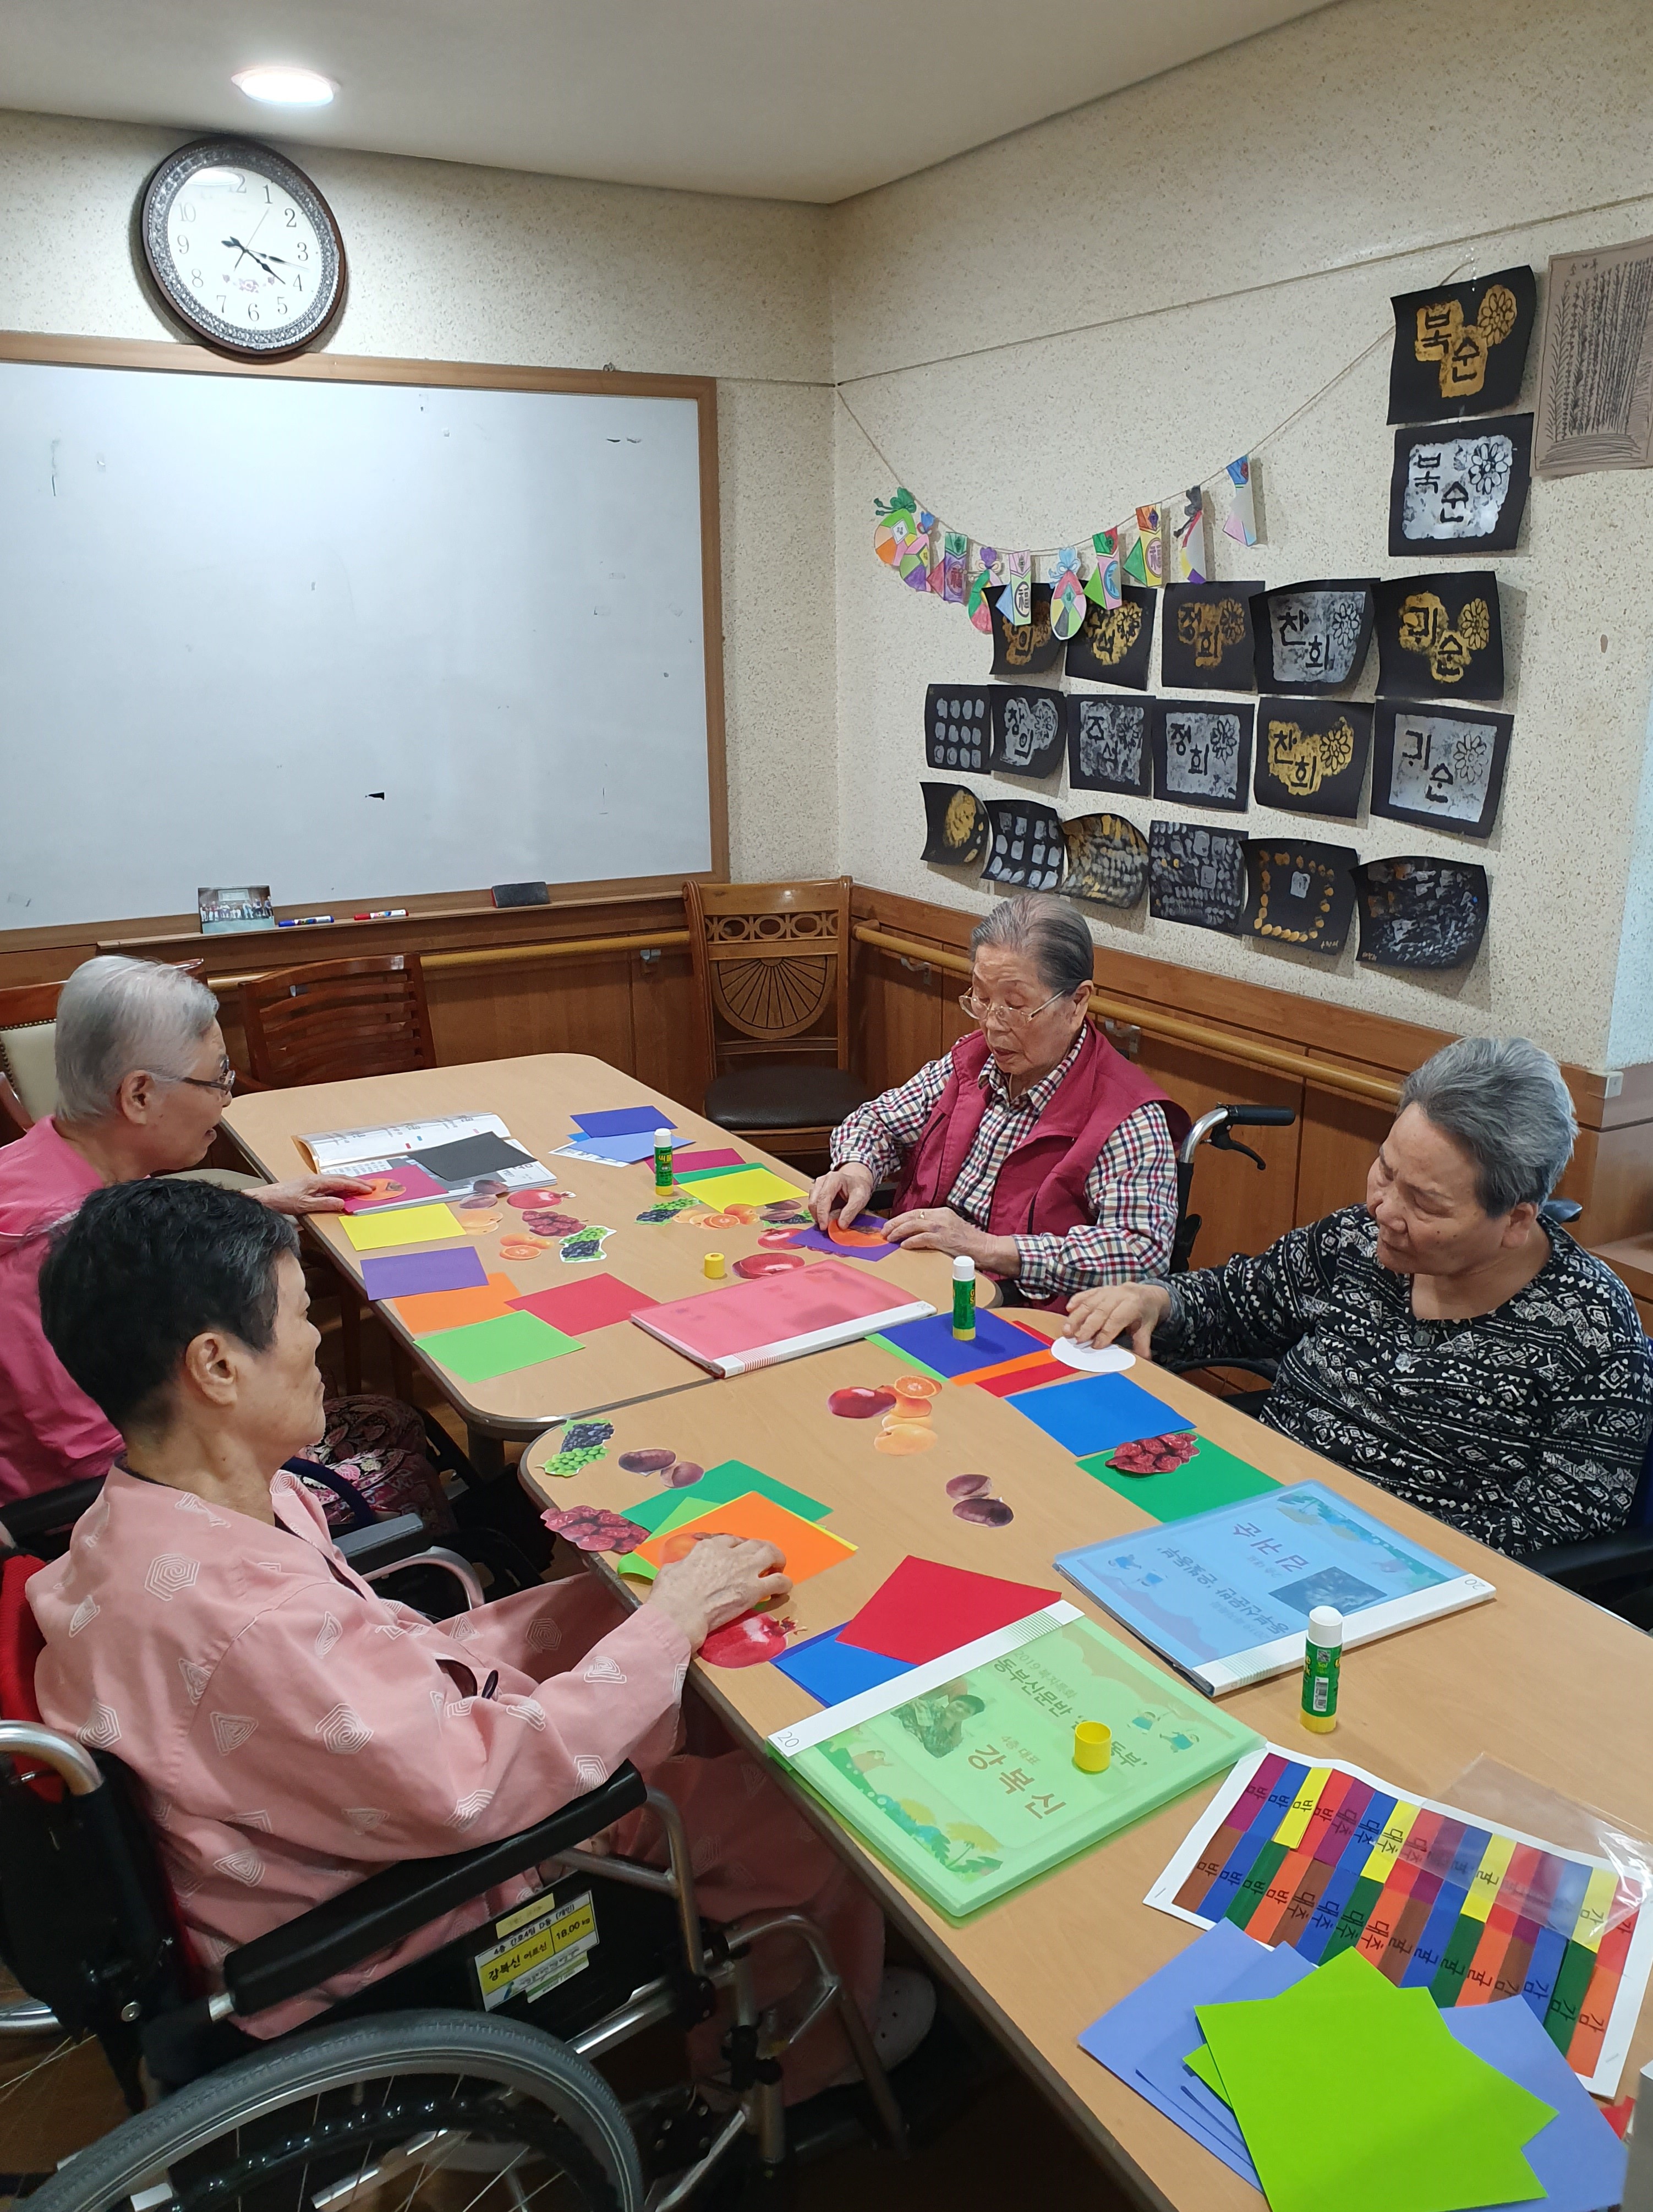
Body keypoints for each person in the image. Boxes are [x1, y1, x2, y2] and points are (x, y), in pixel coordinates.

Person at [29, 1179, 926, 2100]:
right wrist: (673, 1620)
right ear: (216, 1365)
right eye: (300, 1315)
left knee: (615, 1605)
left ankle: (698, 1779)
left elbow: (357, 1680)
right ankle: (800, 2063)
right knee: (805, 1810)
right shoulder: (250, 1622)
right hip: (417, 1895)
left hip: (367, 1738)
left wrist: (658, 1621)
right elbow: (472, 1787)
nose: (316, 1340)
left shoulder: (143, 1512)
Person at [1063, 1036, 1653, 1558]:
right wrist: (1157, 1299)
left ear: (1516, 1220)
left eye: (1424, 1203)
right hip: (1248, 1510)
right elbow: (1240, 1299)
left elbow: (1559, 1529)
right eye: (1385, 1170)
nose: (1382, 1209)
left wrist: (1361, 1550)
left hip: (1397, 1578)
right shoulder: (1357, 1239)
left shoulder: (1591, 1333)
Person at [0, 956, 446, 1528]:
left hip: (165, 1437)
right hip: (114, 1514)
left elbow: (135, 1234)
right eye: (216, 1079)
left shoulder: (51, 1164)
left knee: (395, 1418)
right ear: (140, 1095)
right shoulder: (42, 1248)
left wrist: (257, 1200)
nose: (226, 1098)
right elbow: (93, 1455)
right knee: (399, 1471)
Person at [809, 895, 1186, 1308]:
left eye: (1015, 1006)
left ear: (1077, 1003)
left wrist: (987, 1248)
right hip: (917, 1282)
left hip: (1022, 1314)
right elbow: (876, 1121)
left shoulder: (1127, 1115)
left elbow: (1140, 1252)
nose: (991, 1024)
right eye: (981, 999)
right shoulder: (972, 1061)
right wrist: (857, 1170)